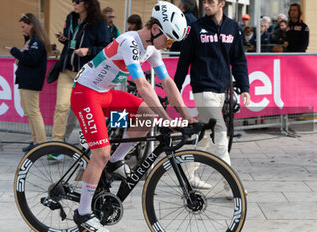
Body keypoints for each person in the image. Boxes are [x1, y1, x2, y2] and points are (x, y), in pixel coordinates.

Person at [71, 1, 195, 231]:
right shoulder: (130, 41)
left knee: (146, 116)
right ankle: (83, 212)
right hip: (85, 93)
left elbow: (167, 82)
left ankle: (118, 160)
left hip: (105, 94)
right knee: (101, 153)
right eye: (168, 39)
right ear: (155, 29)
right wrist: (167, 119)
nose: (168, 45)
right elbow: (142, 86)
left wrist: (187, 116)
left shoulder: (151, 47)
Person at [174, 0, 250, 191]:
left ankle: (189, 174)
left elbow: (239, 59)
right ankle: (231, 186)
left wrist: (245, 87)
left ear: (222, 3)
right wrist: (174, 90)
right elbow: (184, 61)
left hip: (222, 90)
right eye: (204, 2)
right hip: (203, 89)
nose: (206, 5)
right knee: (220, 134)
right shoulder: (195, 28)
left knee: (205, 135)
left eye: (211, 2)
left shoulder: (232, 27)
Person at [51, 0, 110, 159]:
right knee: (61, 107)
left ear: (87, 3)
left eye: (77, 1)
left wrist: (88, 50)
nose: (74, 4)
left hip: (86, 75)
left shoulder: (99, 23)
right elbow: (71, 40)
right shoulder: (71, 17)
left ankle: (92, 146)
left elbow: (106, 47)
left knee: (86, 111)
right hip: (67, 70)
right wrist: (64, 39)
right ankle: (57, 146)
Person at [4, 13, 51, 152]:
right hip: (26, 79)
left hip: (31, 80)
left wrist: (14, 51)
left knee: (33, 112)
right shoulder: (32, 40)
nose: (22, 29)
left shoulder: (37, 41)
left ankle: (41, 142)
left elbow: (31, 59)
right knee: (29, 112)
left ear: (31, 25)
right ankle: (36, 140)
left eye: (23, 26)